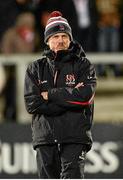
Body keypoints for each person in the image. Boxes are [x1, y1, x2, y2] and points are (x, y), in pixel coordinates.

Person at [24, 11, 97, 179]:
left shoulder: (83, 65)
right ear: (47, 40)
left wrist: (50, 94)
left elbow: (85, 97)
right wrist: (69, 98)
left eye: (64, 35)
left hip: (74, 136)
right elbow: (32, 104)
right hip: (45, 138)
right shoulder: (35, 68)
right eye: (55, 36)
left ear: (70, 39)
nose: (60, 40)